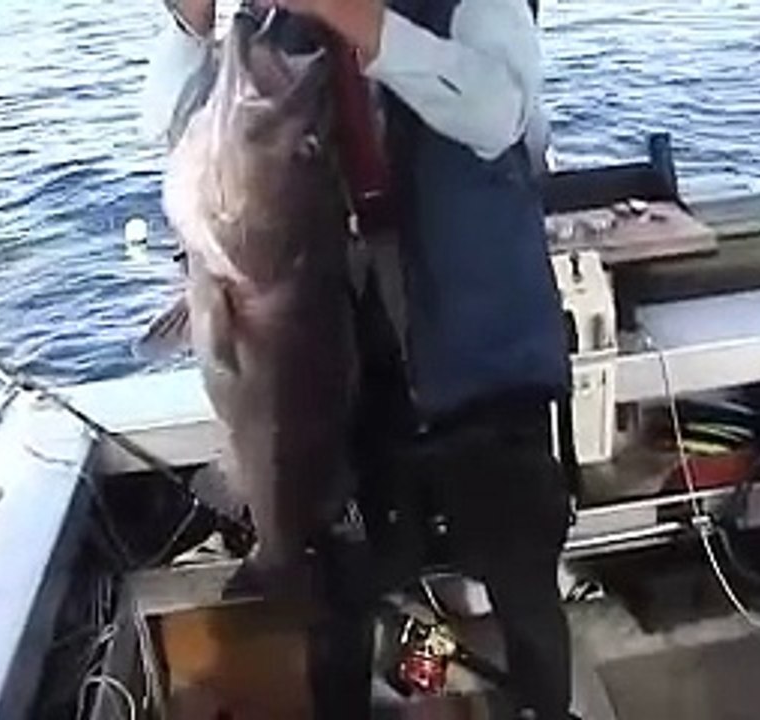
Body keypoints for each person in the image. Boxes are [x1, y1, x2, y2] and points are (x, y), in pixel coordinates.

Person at [141, 0, 573, 718]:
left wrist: (358, 19)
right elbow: (172, 124)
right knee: (346, 592)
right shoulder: (275, 36)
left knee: (520, 582)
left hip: (486, 366)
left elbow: (496, 114)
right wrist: (191, 28)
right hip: (350, 376)